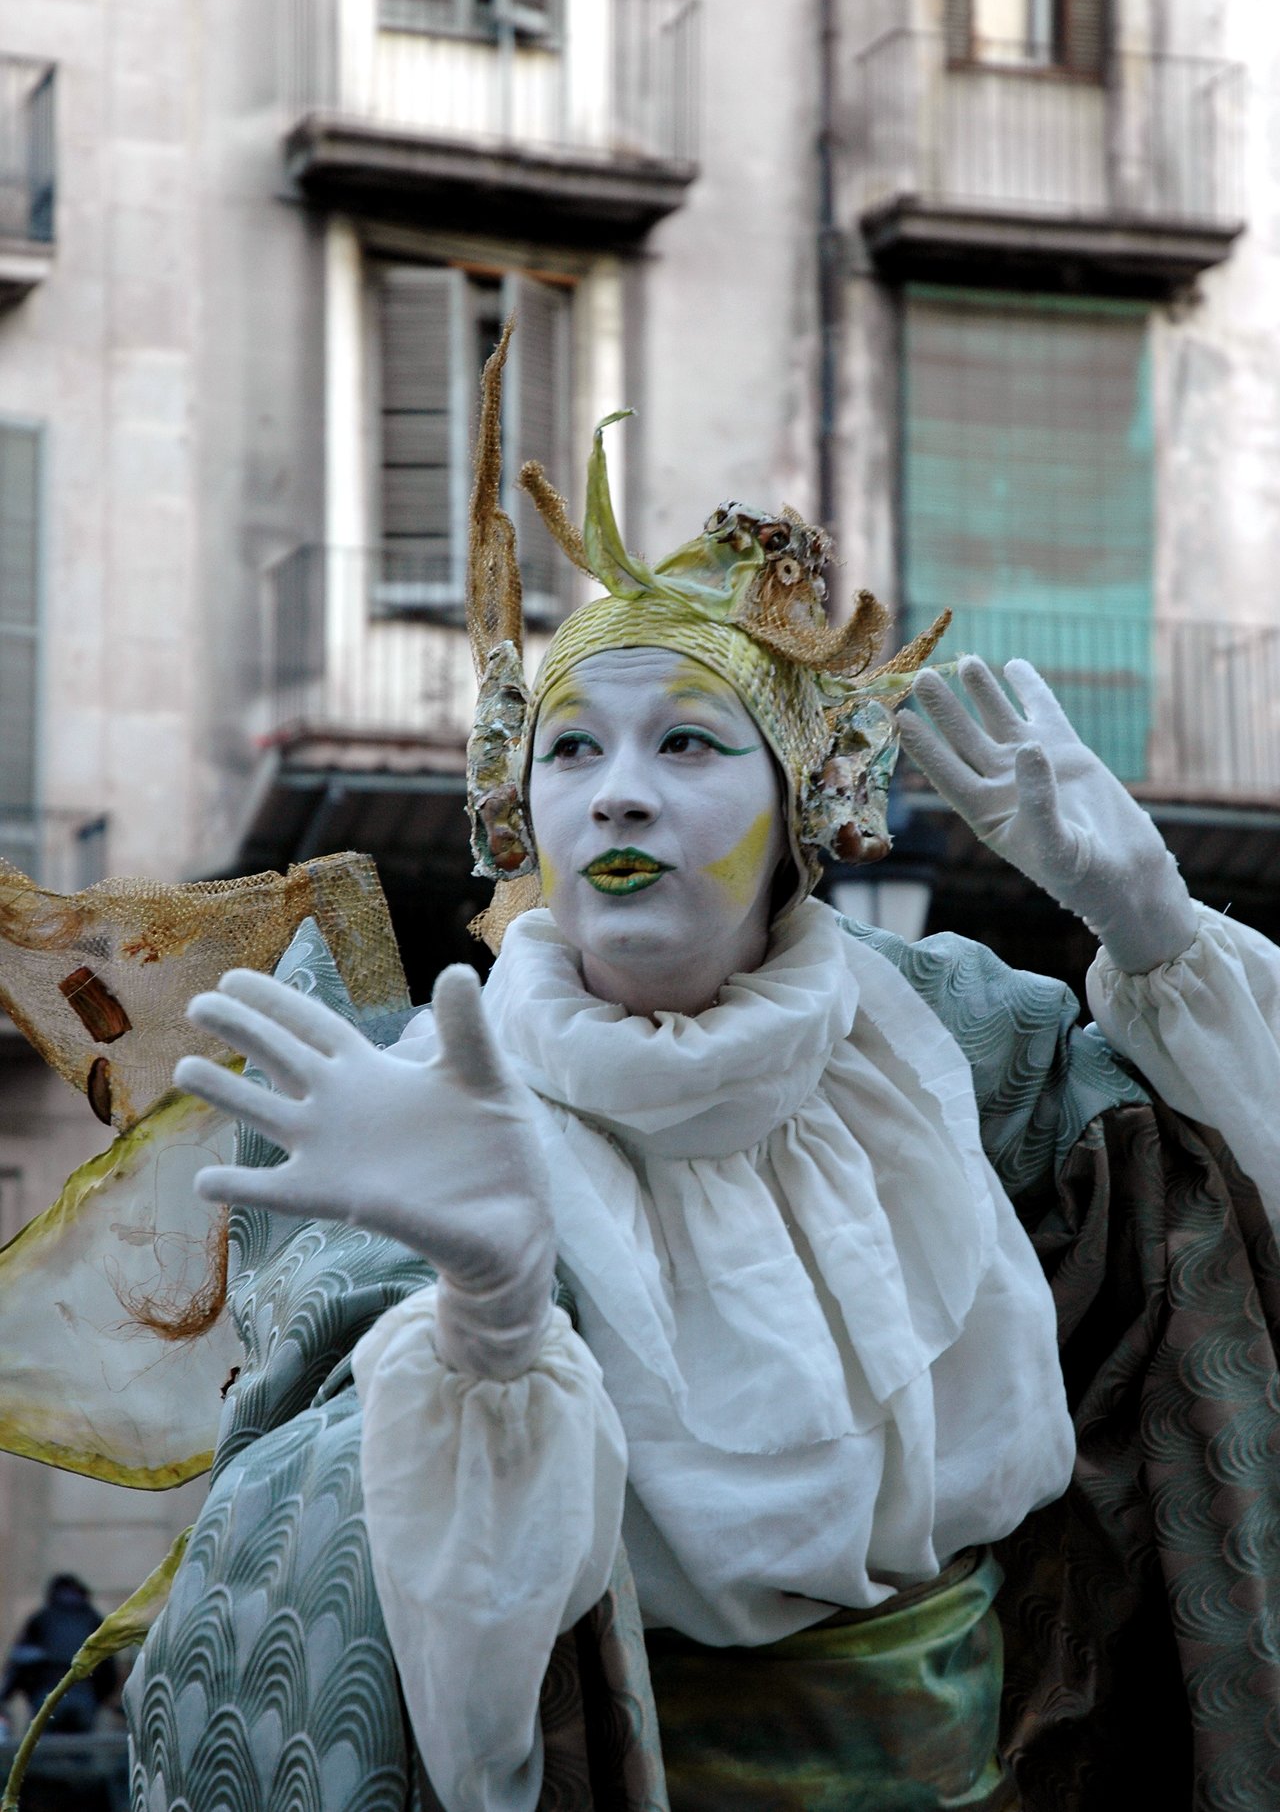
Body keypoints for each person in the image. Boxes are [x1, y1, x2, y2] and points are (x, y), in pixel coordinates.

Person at [124, 327, 1280, 1812]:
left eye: (688, 742)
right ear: (519, 805)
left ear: (798, 807)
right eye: (572, 749)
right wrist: (487, 1314)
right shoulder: (424, 1104)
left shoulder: (956, 1041)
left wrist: (1155, 924)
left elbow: (1223, 1231)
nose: (619, 789)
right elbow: (436, 1685)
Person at [1, 1576, 117, 1734]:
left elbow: (20, 1661)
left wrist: (6, 1696)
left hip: (48, 1695)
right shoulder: (93, 1619)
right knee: (81, 1750)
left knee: (43, 1751)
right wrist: (99, 1698)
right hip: (83, 1695)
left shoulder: (42, 1618)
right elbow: (109, 1667)